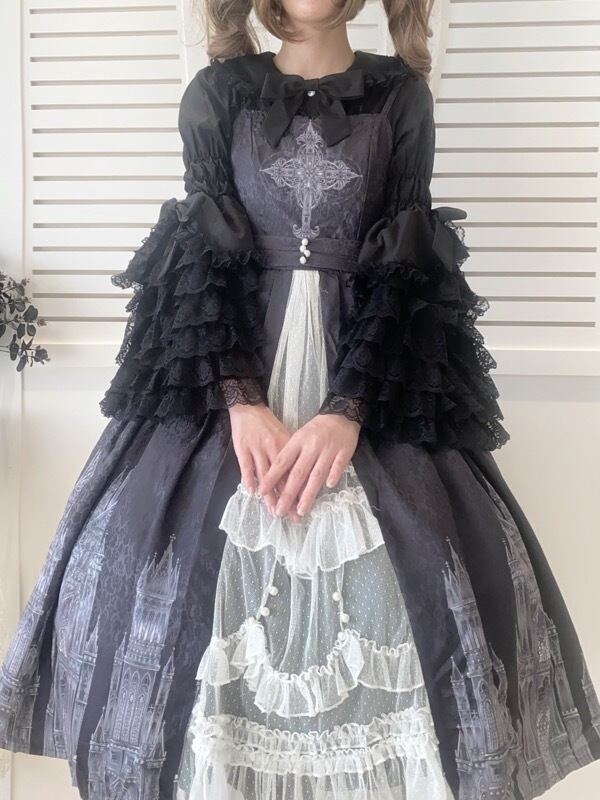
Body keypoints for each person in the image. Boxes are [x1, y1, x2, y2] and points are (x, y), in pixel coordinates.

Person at [1, 1, 599, 798]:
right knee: (183, 599)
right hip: (233, 384)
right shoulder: (219, 94)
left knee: (406, 595)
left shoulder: (400, 95)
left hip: (368, 382)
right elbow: (199, 257)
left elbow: (407, 266)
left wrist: (347, 410)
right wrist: (240, 398)